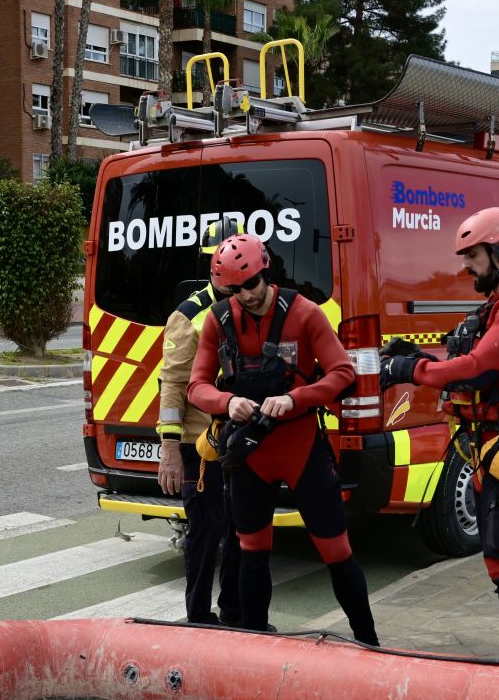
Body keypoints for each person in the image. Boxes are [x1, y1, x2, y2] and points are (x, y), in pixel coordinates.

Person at [379, 207, 499, 661]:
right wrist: (419, 352)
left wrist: (412, 368)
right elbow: (474, 355)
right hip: (497, 447)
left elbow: (480, 367)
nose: (466, 265)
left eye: (473, 255)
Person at [185, 234, 377, 644]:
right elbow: (195, 386)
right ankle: (258, 648)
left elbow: (342, 373)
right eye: (233, 290)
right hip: (249, 455)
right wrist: (226, 401)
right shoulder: (218, 321)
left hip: (301, 447)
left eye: (250, 285)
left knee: (336, 552)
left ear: (266, 271)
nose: (244, 297)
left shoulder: (304, 313)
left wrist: (295, 399)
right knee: (252, 554)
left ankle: (370, 641)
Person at [155, 255, 241, 627]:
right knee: (206, 533)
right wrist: (170, 450)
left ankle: (235, 611)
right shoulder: (189, 316)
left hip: (239, 438)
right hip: (199, 444)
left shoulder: (249, 307)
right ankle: (199, 617)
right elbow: (172, 385)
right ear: (212, 271)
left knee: (241, 529)